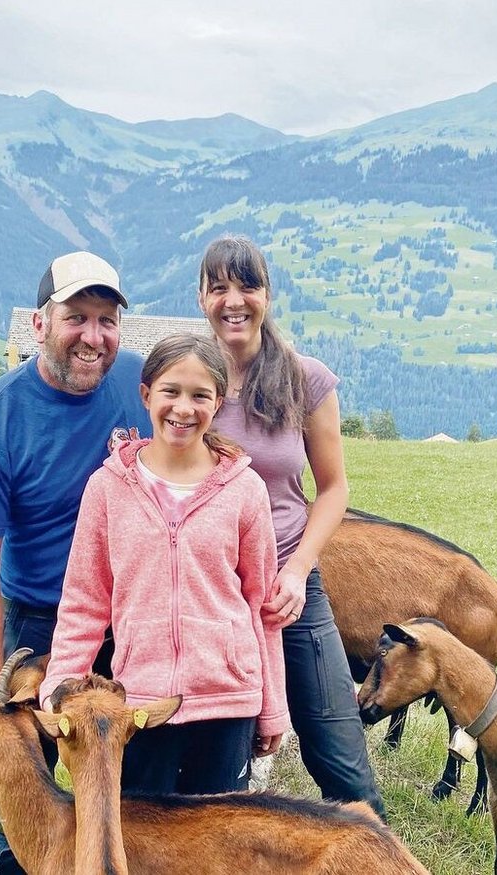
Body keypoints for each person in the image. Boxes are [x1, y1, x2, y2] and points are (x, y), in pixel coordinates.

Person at [0, 250, 150, 875]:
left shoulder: (147, 387)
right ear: (40, 324)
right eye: (77, 318)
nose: (93, 337)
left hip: (133, 619)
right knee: (28, 785)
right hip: (40, 622)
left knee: (131, 781)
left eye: (107, 320)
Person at [40, 333, 289, 794]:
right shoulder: (108, 488)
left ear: (218, 403)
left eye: (200, 395)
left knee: (218, 852)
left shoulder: (245, 489)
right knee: (142, 842)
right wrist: (60, 686)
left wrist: (272, 704)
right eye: (170, 391)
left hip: (227, 703)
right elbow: (84, 602)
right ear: (146, 394)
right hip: (140, 705)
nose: (183, 408)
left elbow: (261, 603)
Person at [196, 234, 387, 818]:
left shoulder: (306, 380)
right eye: (219, 287)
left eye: (247, 285)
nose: (234, 300)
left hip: (290, 588)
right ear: (201, 297)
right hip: (213, 595)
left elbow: (333, 490)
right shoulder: (188, 381)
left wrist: (299, 567)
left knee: (341, 759)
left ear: (267, 295)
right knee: (218, 774)